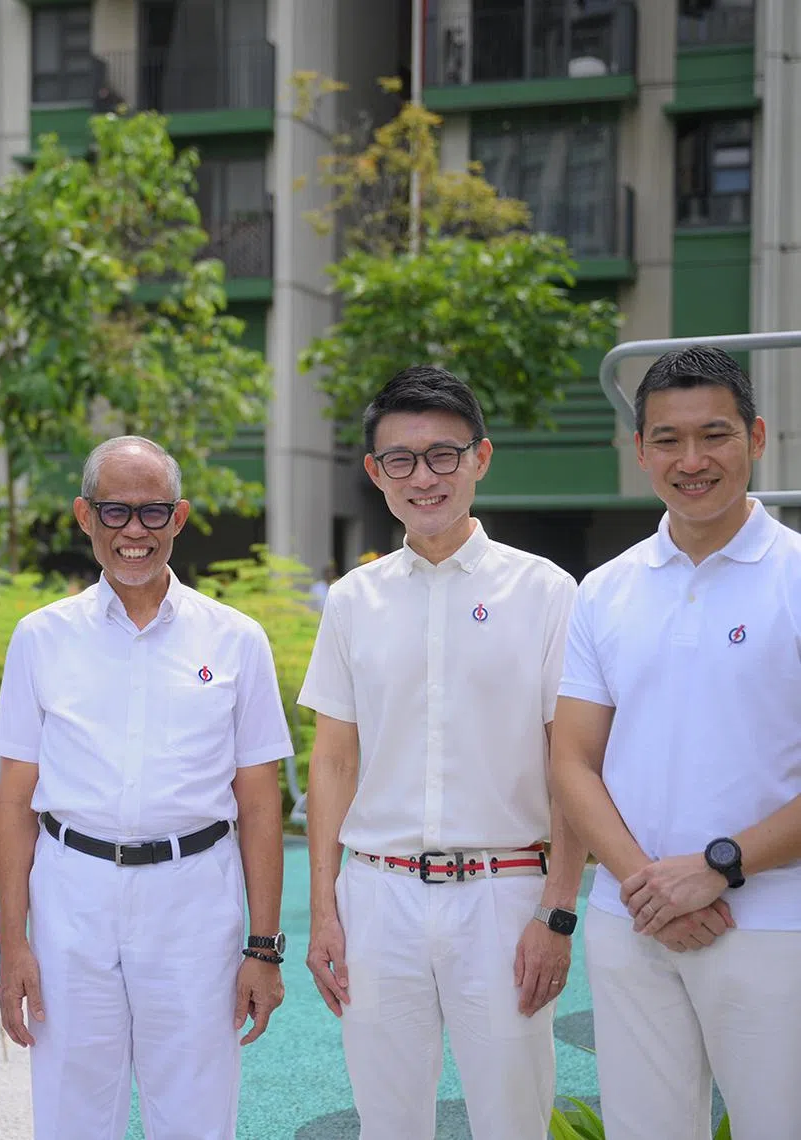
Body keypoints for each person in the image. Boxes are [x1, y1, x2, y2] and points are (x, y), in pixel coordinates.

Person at [299, 365, 587, 1140]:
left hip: (506, 893)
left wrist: (557, 912)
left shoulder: (548, 592)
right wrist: (324, 909)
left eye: (443, 455)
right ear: (374, 473)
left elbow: (573, 767)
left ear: (481, 459)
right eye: (401, 459)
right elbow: (332, 762)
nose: (422, 477)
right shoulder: (354, 600)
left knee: (512, 1120)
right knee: (387, 1123)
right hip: (378, 897)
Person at [0, 435, 291, 1140]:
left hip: (195, 899)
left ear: (180, 518)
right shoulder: (40, 638)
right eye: (115, 511)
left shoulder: (237, 639)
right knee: (70, 1111)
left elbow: (259, 803)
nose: (134, 532)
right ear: (83, 516)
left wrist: (264, 946)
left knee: (195, 1111)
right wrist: (12, 943)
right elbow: (12, 801)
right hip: (71, 896)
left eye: (152, 513)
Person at [552, 346, 801, 1139]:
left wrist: (719, 868)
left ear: (758, 438)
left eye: (715, 435)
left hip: (773, 925)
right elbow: (572, 760)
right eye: (668, 439)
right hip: (632, 925)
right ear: (641, 451)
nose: (691, 461)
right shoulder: (606, 589)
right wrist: (648, 889)